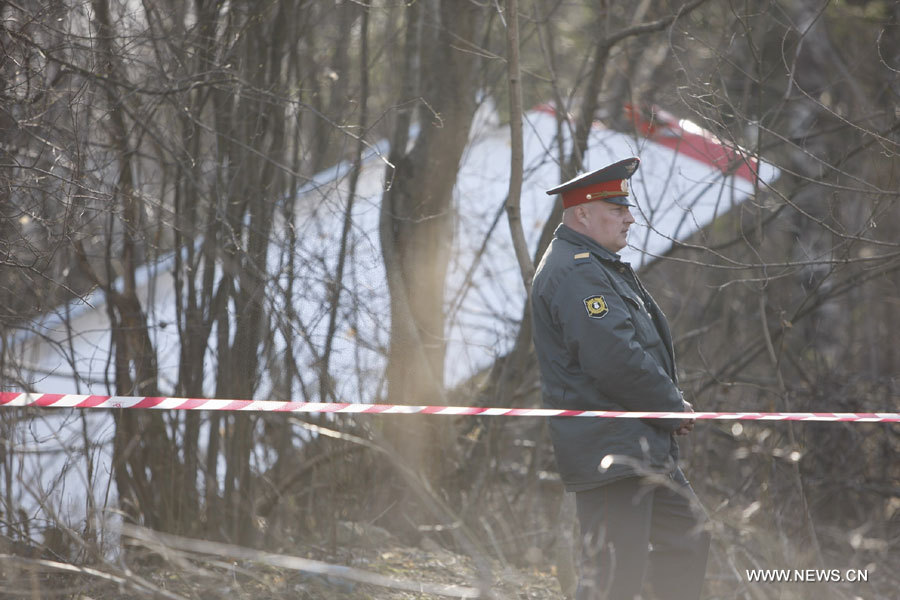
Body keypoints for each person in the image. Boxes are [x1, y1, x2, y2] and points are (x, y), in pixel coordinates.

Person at [530, 157, 710, 600]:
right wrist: (670, 407)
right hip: (611, 450)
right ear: (583, 214)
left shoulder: (596, 264)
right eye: (617, 209)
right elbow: (613, 358)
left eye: (626, 207)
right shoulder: (576, 271)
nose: (630, 217)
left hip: (638, 445)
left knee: (688, 535)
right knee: (613, 578)